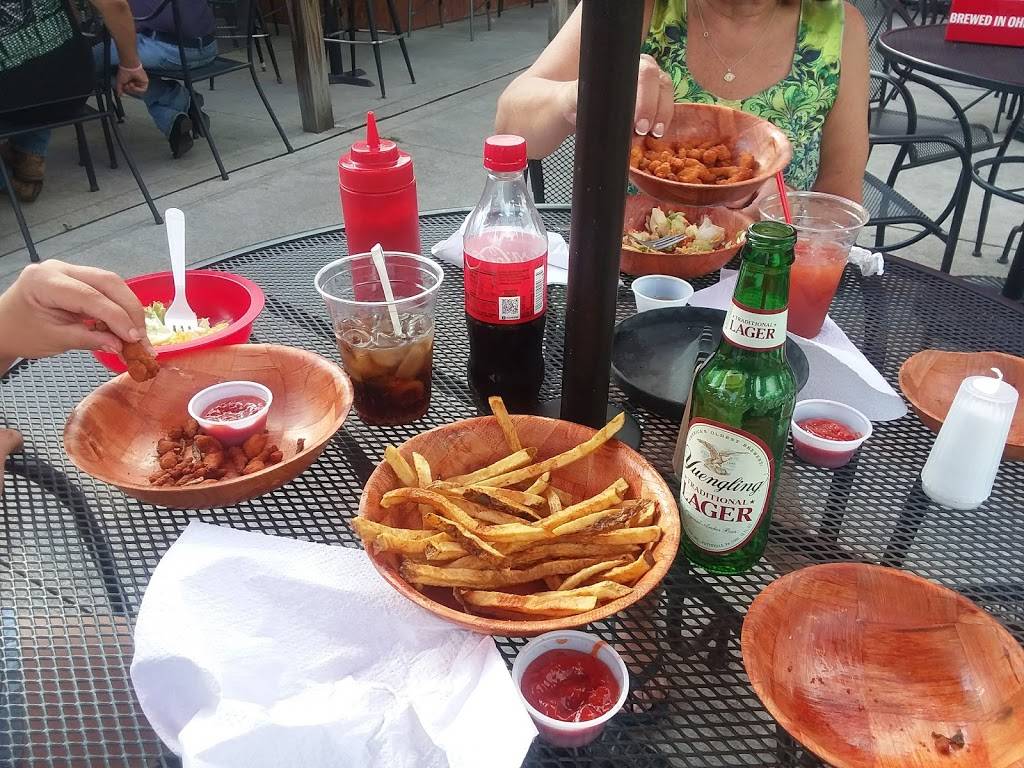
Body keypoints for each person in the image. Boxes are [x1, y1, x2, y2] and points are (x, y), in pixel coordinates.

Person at [494, 0, 869, 209]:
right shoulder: (634, 7)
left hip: (762, 284)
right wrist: (585, 94)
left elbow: (841, 197)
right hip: (624, 278)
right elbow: (511, 123)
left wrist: (789, 209)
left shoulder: (839, 28)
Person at [1, 0, 148, 202]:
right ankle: (29, 156)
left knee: (22, 83)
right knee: (39, 72)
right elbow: (115, 4)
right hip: (72, 88)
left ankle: (7, 179)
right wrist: (131, 65)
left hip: (11, 103)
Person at [97, 0, 218, 158]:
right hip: (208, 47)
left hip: (172, 49)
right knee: (117, 64)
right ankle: (173, 120)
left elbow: (117, 10)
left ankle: (181, 100)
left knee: (90, 62)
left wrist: (129, 65)